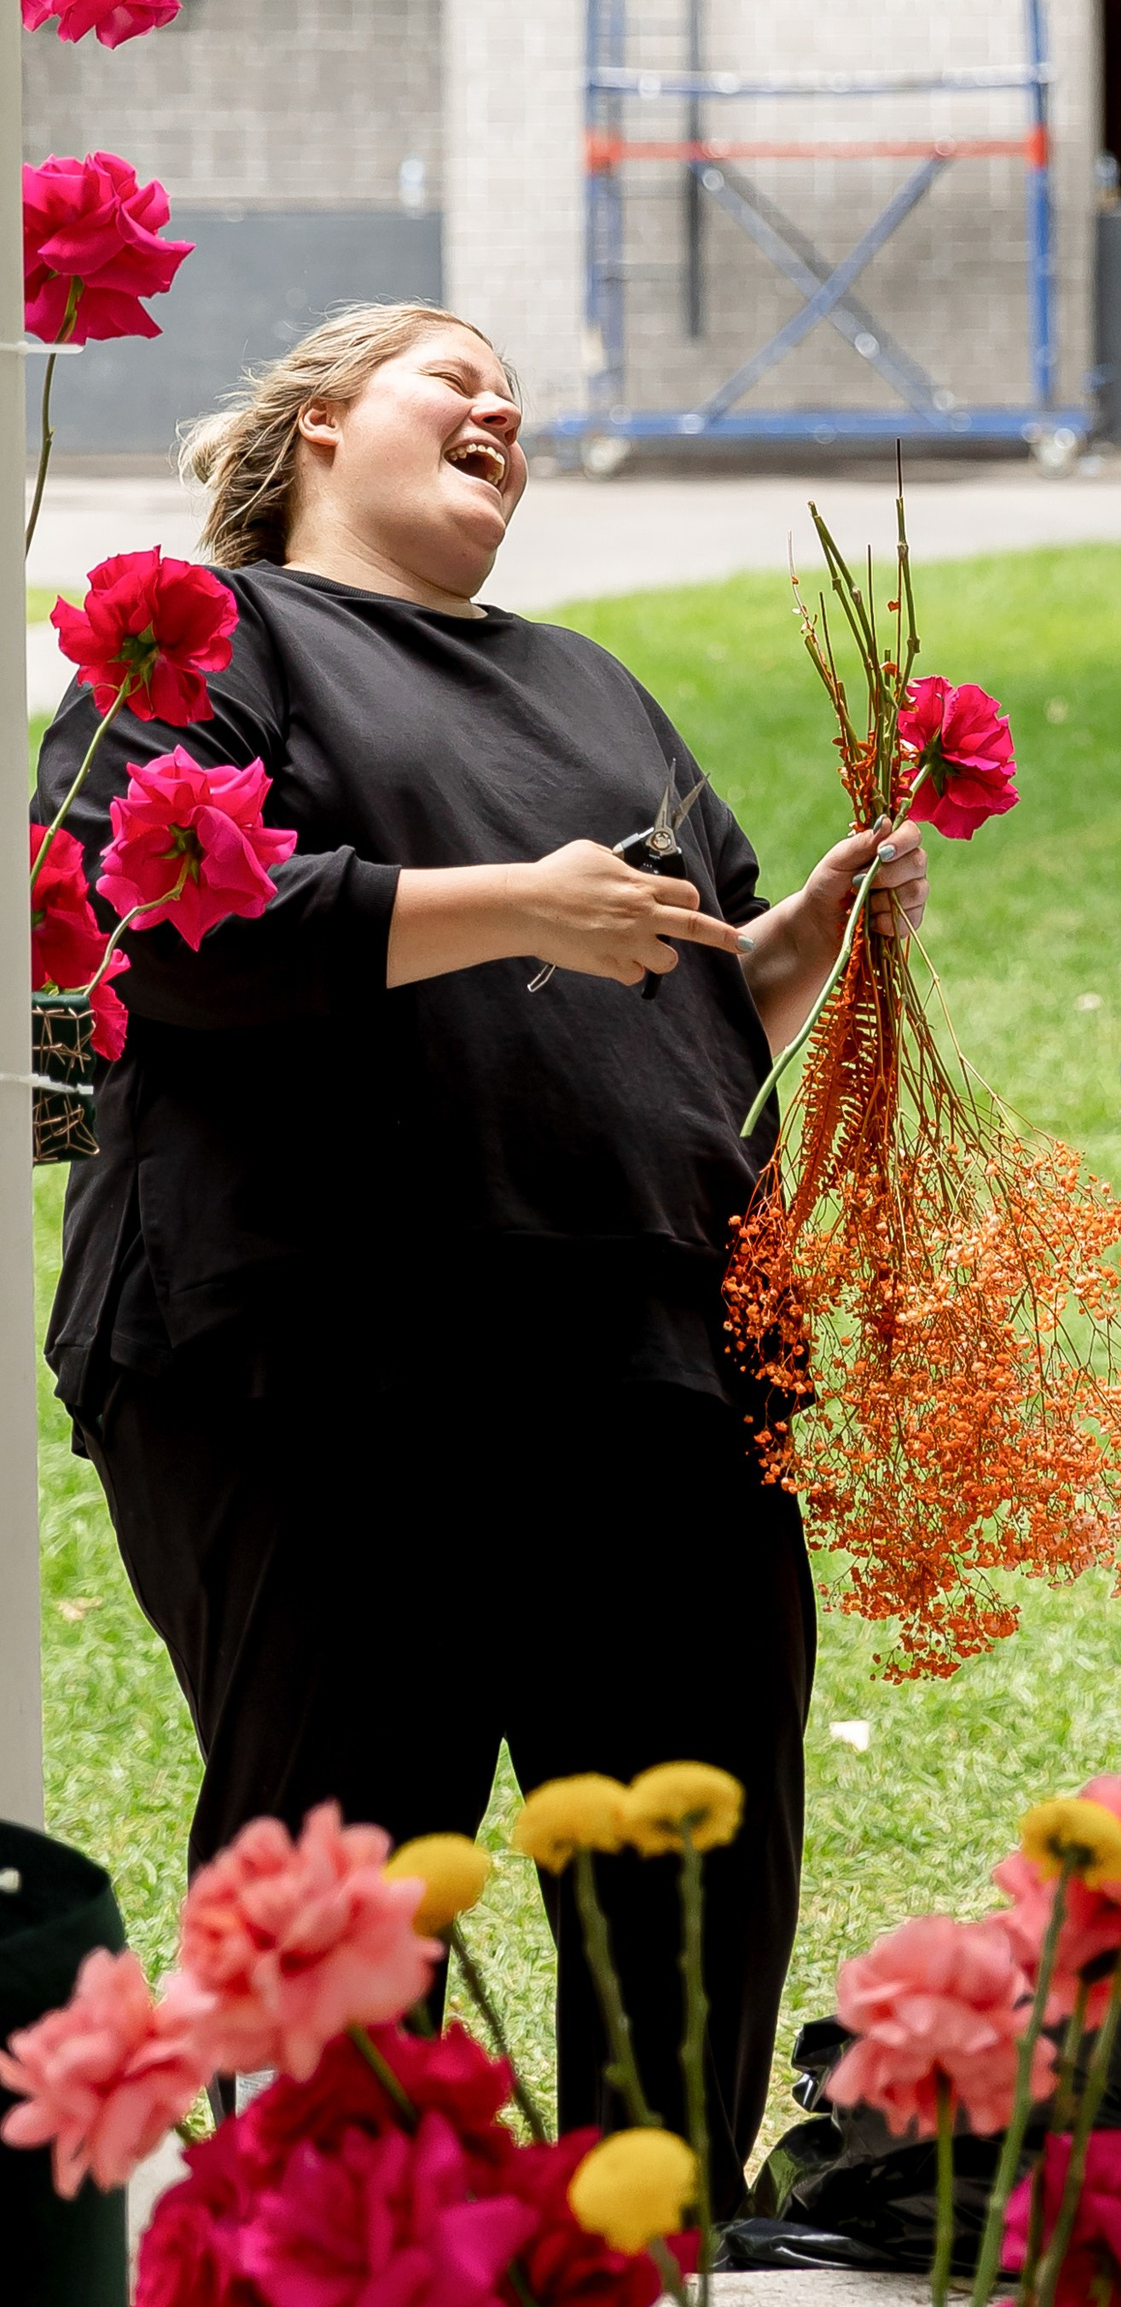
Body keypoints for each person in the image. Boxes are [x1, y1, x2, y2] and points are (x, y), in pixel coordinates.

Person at [37, 302, 925, 2205]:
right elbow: (152, 915)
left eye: (509, 394)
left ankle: (644, 2286)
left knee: (695, 1880)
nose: (500, 407)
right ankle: (322, 2283)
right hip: (319, 1365)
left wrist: (807, 942)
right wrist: (514, 902)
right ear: (314, 427)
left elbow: (684, 1017)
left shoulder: (594, 687)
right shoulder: (209, 641)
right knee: (338, 1885)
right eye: (454, 373)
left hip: (649, 1366)